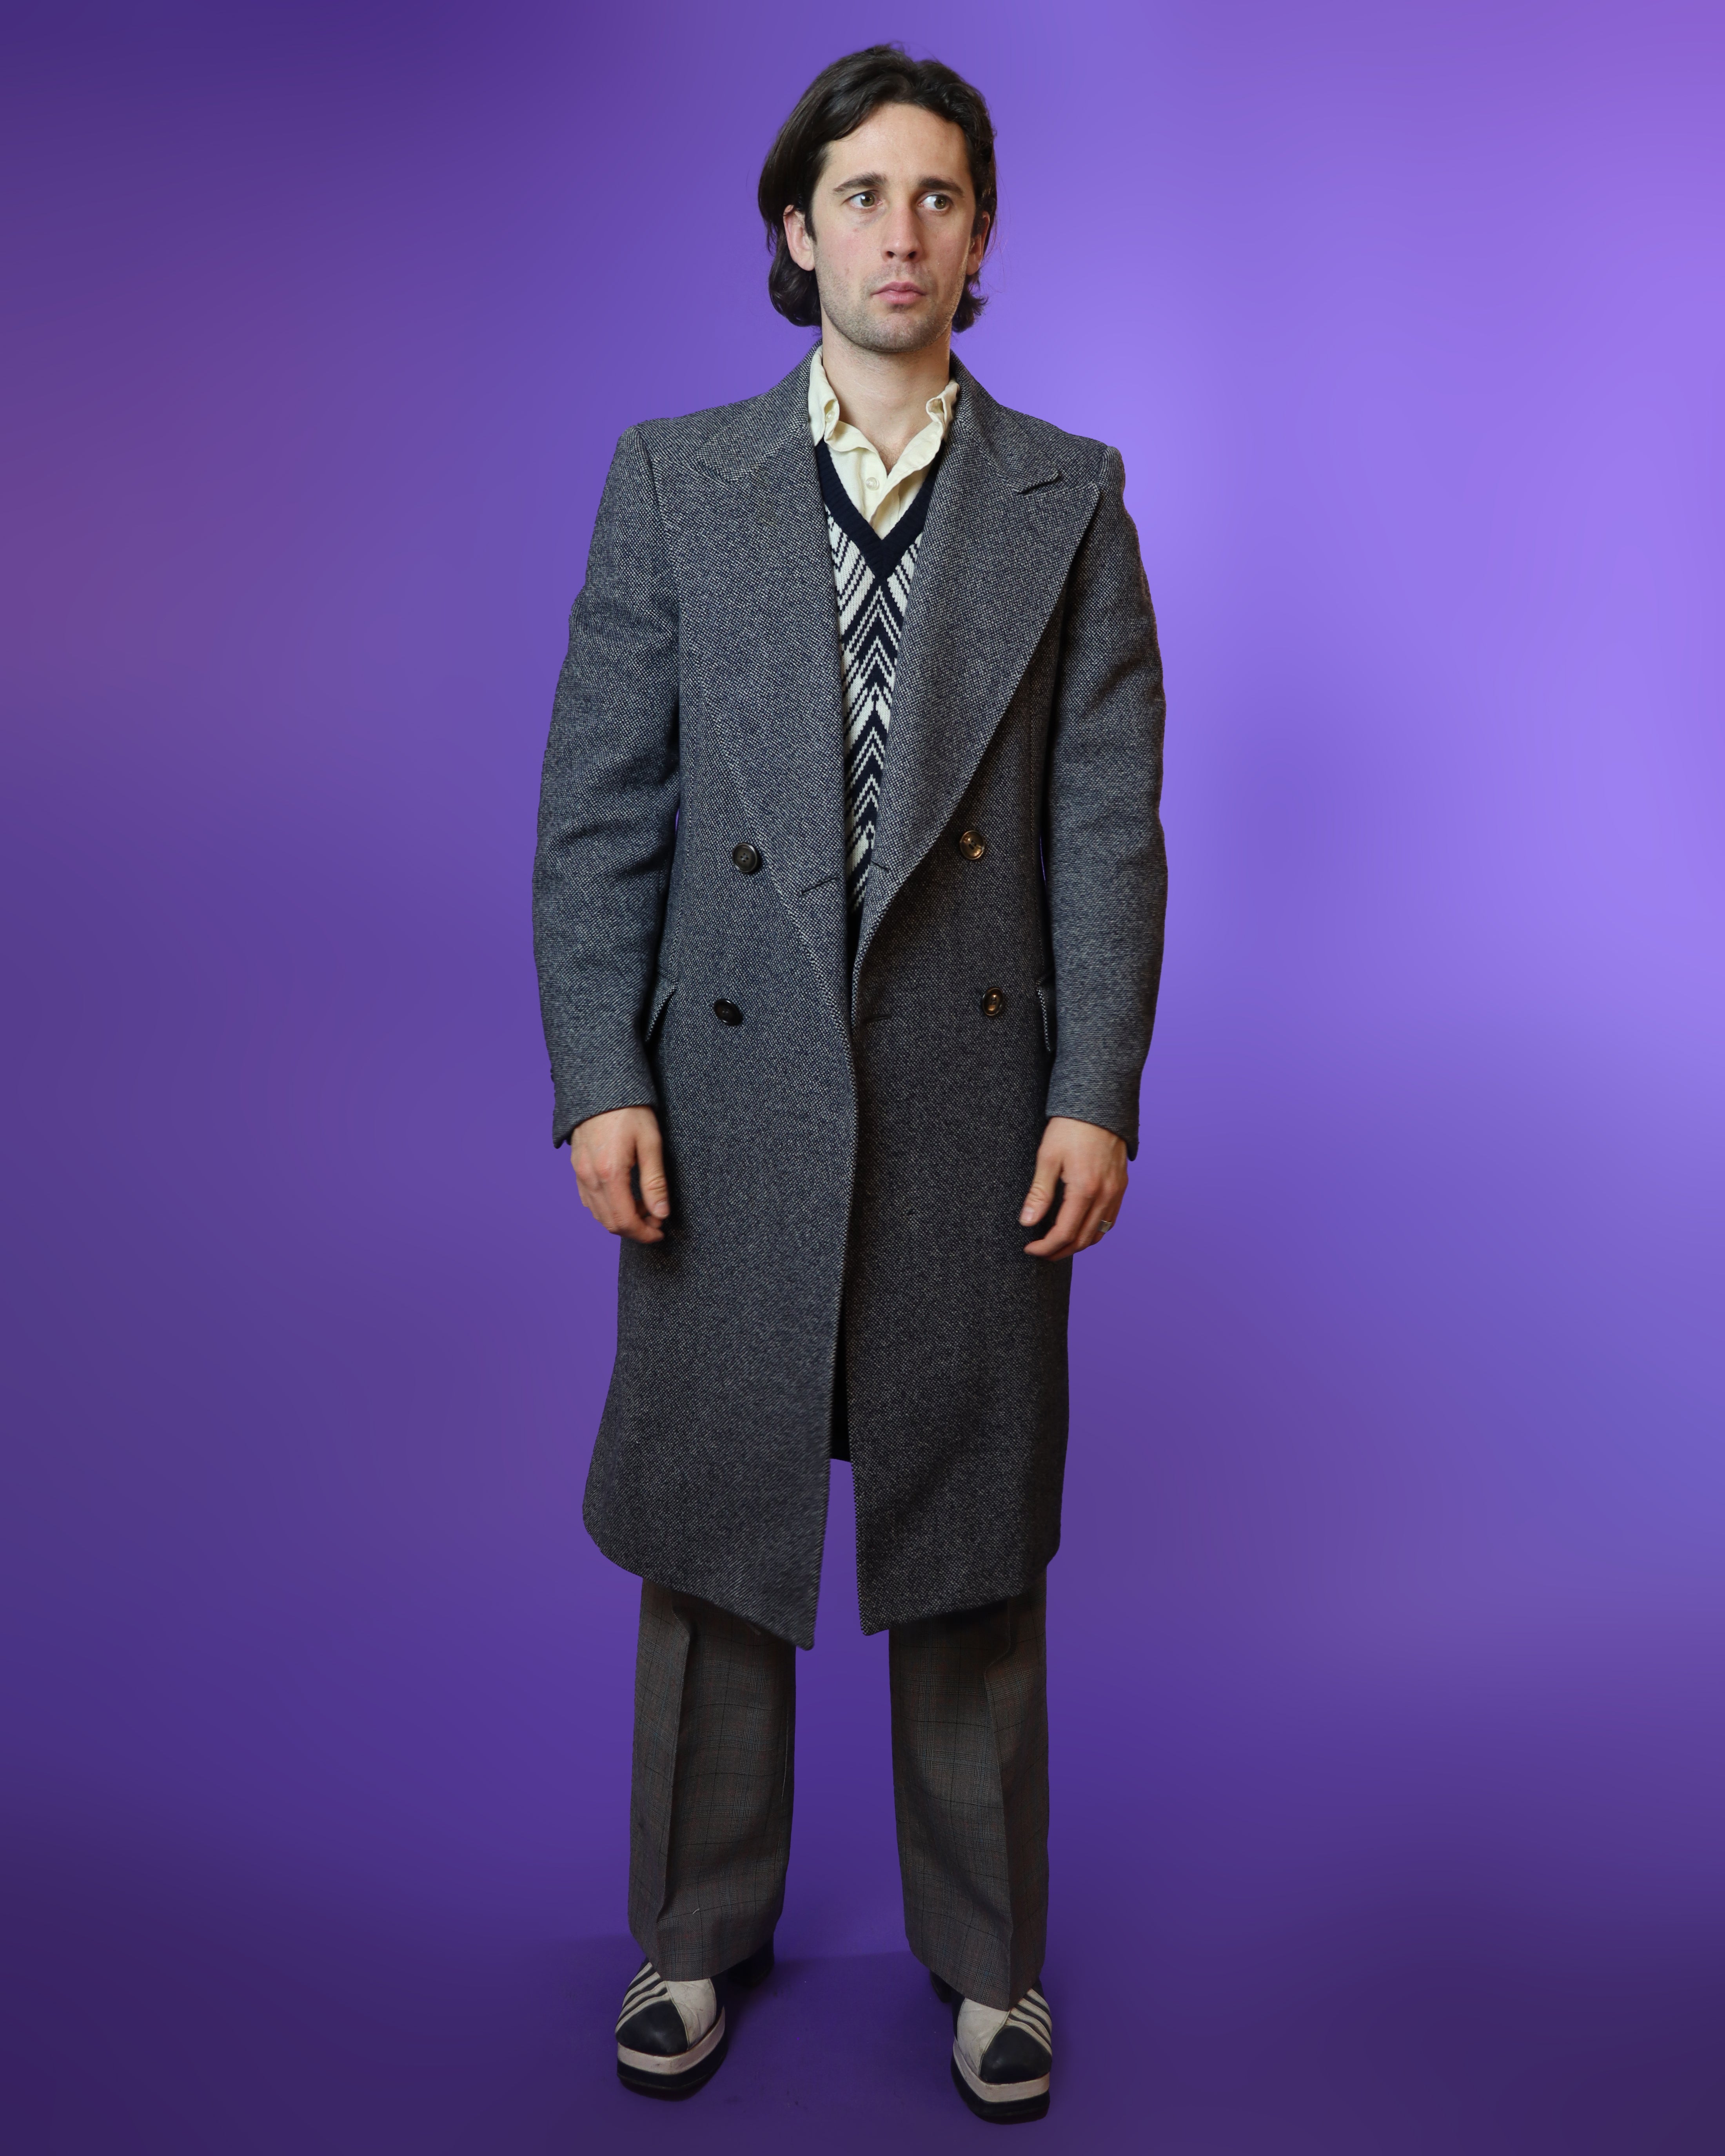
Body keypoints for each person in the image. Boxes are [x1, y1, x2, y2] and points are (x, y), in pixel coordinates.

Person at [532, 43, 1166, 2124]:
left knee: (967, 1538)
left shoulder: (1071, 498)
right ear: (794, 229)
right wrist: (599, 1077)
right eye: (864, 194)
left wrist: (1095, 1089)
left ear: (983, 242)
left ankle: (991, 1969)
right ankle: (689, 1937)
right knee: (717, 1531)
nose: (903, 233)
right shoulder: (674, 480)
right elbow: (599, 814)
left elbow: (1107, 832)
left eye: (941, 197)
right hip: (724, 1100)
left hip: (977, 1102)